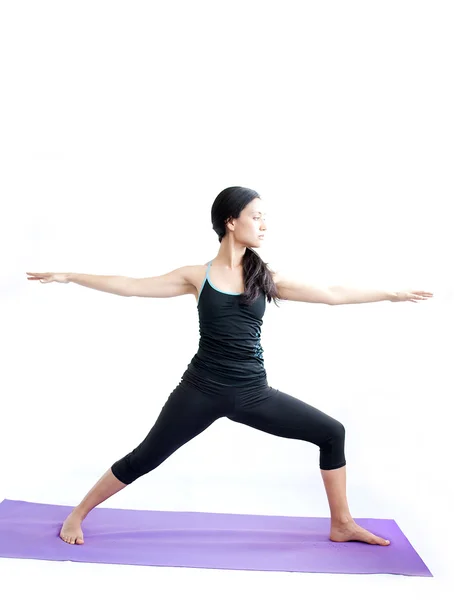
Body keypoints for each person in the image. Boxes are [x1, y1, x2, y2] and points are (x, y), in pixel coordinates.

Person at [26, 186, 433, 547]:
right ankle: (77, 513)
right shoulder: (196, 276)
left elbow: (330, 293)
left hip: (254, 393)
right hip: (200, 389)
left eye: (264, 218)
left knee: (332, 432)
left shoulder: (265, 276)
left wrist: (390, 294)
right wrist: (70, 276)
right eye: (256, 216)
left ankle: (342, 524)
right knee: (145, 458)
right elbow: (132, 286)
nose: (263, 225)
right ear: (230, 221)